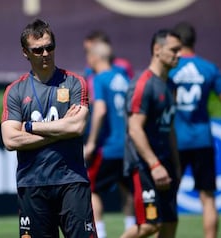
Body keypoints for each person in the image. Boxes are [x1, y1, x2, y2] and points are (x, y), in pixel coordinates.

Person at [1, 19, 97, 238]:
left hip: (71, 180)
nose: (45, 53)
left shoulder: (74, 82)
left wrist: (30, 126)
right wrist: (60, 132)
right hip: (32, 184)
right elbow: (10, 140)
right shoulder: (15, 91)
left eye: (49, 47)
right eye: (38, 50)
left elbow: (78, 125)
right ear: (25, 52)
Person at [168, 22, 221, 238]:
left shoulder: (170, 68)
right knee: (207, 197)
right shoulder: (209, 68)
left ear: (176, 42)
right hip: (202, 140)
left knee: (169, 196)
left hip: (175, 140)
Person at [120, 29, 182, 238]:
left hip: (166, 166)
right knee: (149, 224)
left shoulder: (171, 85)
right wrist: (155, 165)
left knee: (169, 224)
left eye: (180, 50)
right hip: (145, 166)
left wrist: (176, 165)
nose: (179, 54)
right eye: (174, 50)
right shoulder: (143, 84)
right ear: (157, 49)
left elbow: (169, 128)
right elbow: (134, 128)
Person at [84, 41, 134, 238]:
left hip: (107, 146)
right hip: (128, 146)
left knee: (93, 190)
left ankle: (101, 234)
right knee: (128, 190)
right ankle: (131, 230)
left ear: (95, 57)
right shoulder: (123, 77)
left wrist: (92, 142)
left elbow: (100, 110)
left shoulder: (99, 79)